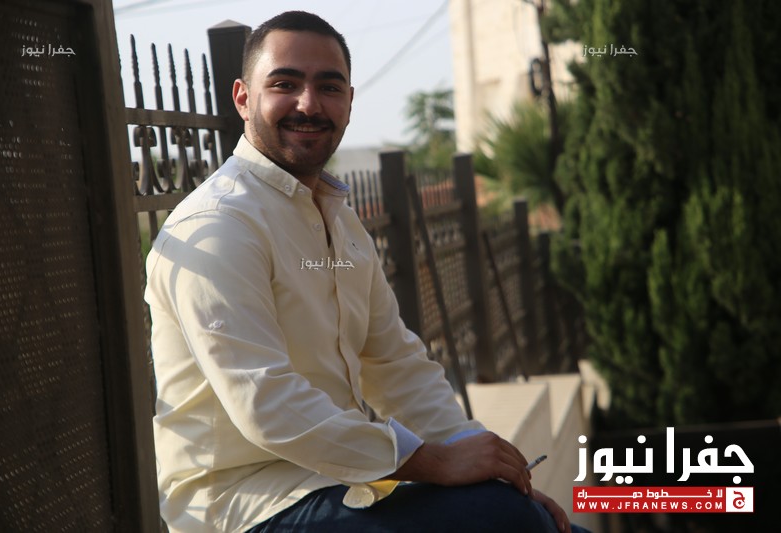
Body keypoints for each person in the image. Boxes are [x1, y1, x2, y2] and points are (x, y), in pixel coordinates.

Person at [145, 10, 588, 533]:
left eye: (329, 87)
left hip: (340, 486)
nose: (309, 104)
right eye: (285, 84)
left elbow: (397, 366)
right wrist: (437, 462)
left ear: (350, 102)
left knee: (527, 516)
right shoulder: (218, 226)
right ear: (243, 98)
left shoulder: (341, 222)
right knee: (503, 519)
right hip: (244, 506)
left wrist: (494, 469)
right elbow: (267, 405)